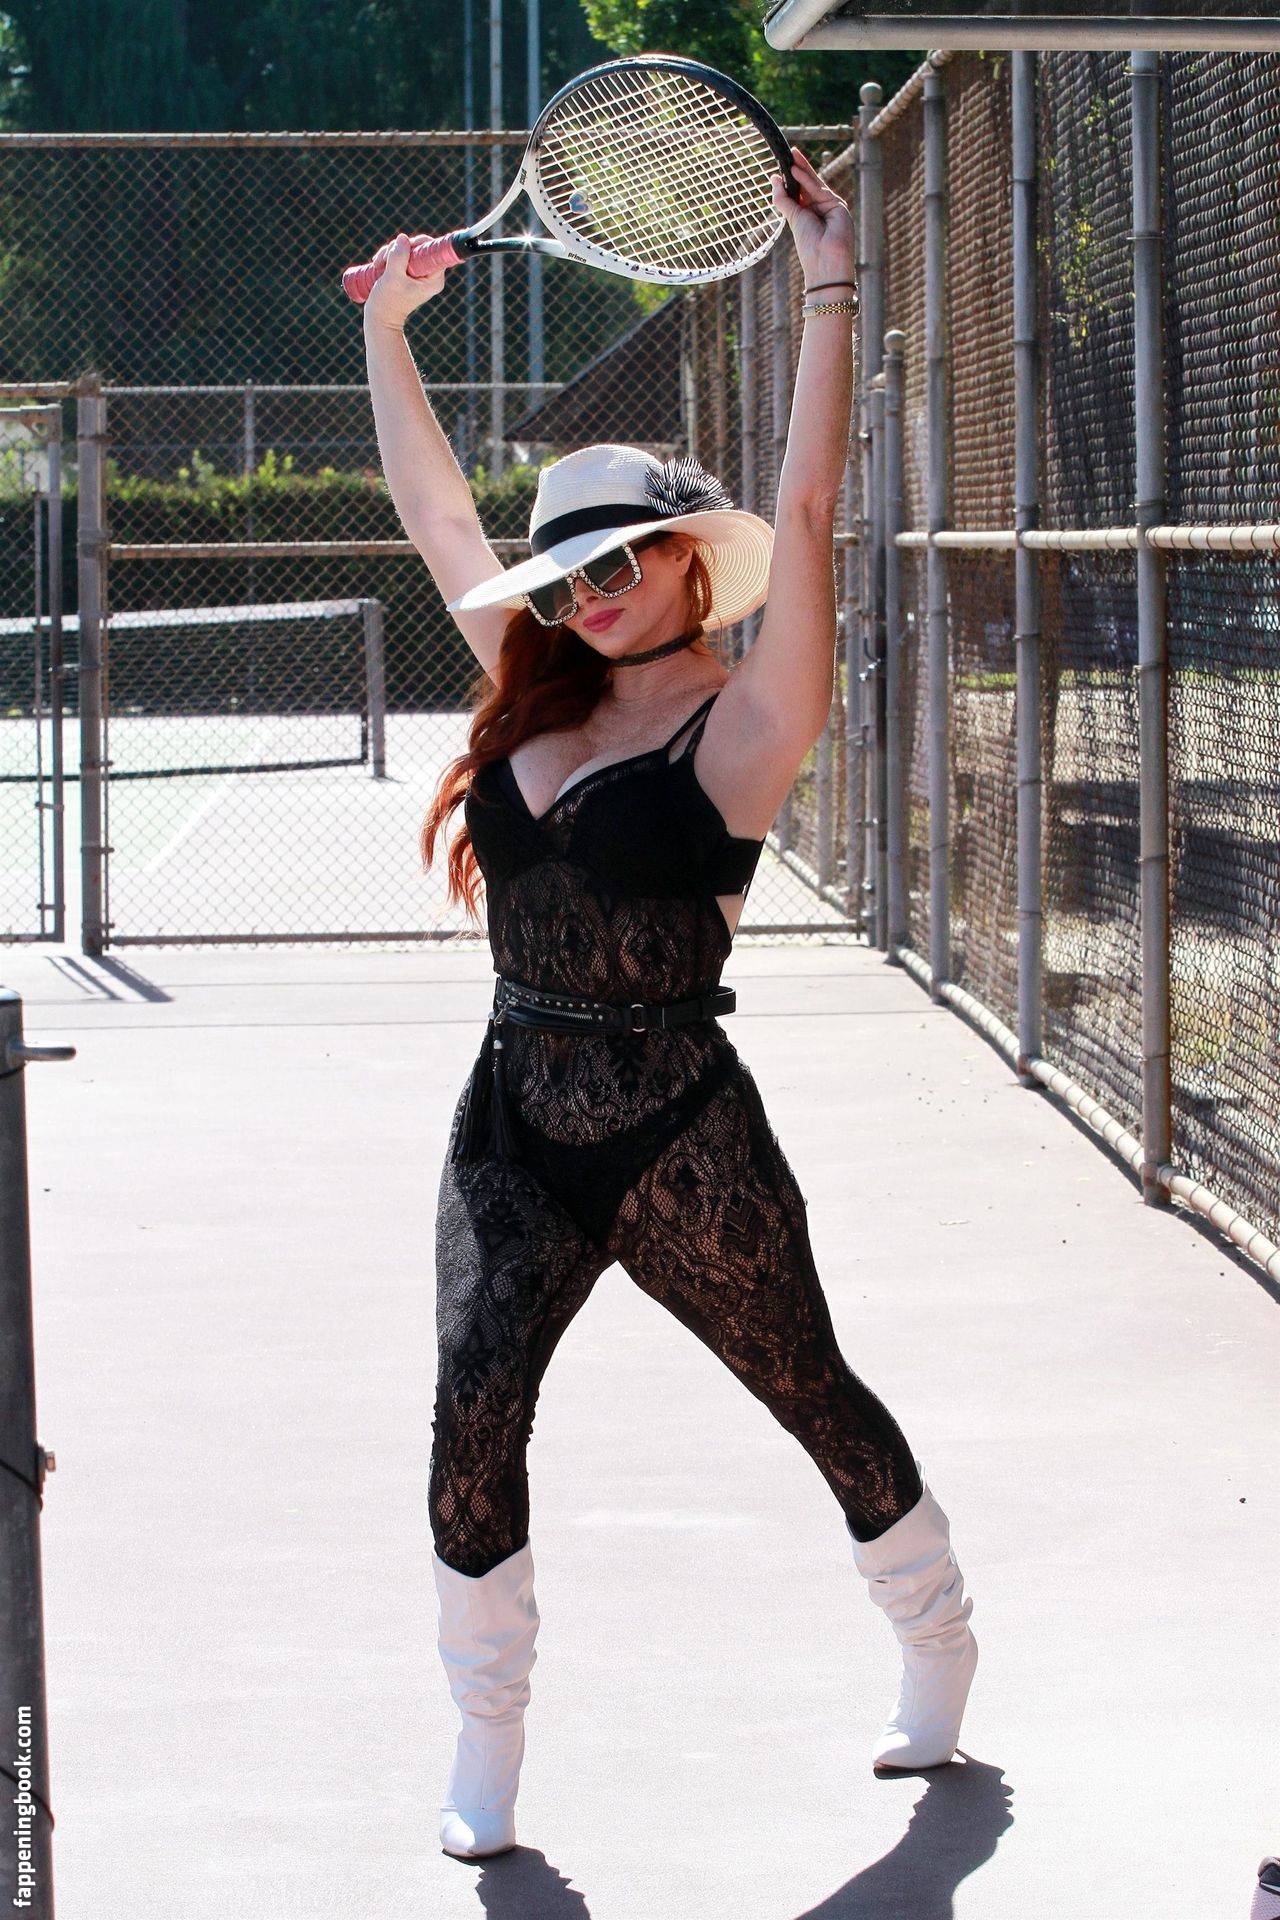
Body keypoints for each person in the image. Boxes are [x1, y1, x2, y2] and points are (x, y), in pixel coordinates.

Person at [362, 145, 977, 1863]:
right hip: (512, 1120)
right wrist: (387, 334)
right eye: (565, 577)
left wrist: (829, 283)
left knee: (811, 1391)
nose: (589, 594)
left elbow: (805, 511)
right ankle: (487, 1739)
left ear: (690, 560)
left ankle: (937, 1634)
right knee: (470, 1407)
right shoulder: (534, 687)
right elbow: (437, 521)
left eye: (621, 560)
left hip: (678, 1131)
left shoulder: (747, 720)